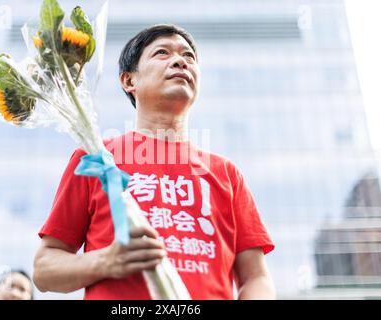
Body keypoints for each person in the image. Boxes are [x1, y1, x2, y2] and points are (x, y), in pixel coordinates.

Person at [33, 24, 276, 300]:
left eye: (189, 57)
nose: (180, 61)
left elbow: (256, 276)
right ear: (128, 81)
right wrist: (105, 261)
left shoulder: (227, 174)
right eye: (162, 53)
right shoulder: (96, 157)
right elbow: (44, 269)